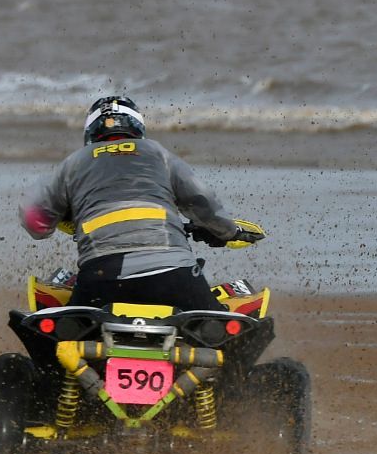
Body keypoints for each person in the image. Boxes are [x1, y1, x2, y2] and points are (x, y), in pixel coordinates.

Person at [19, 94, 262, 311]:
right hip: (173, 275)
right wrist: (228, 232)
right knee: (219, 328)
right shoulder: (158, 153)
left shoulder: (73, 163)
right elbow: (201, 200)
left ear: (90, 132)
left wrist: (65, 221)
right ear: (138, 127)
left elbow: (33, 218)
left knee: (63, 330)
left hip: (101, 279)